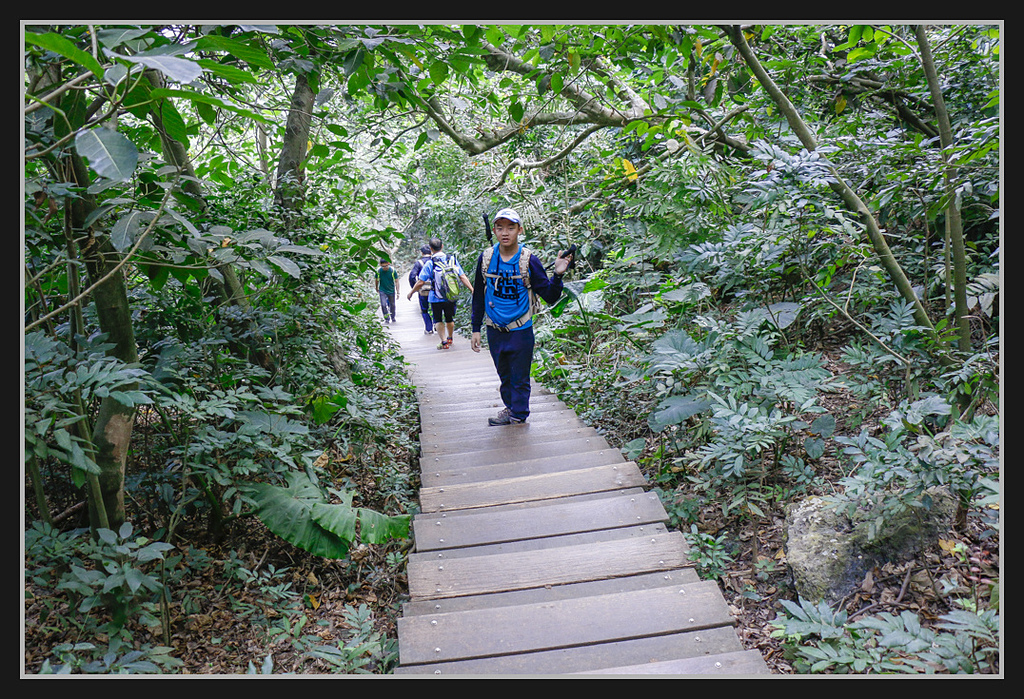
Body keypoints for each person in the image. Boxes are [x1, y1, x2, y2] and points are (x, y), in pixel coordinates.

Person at [470, 208, 572, 425]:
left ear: (519, 230)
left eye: (510, 228)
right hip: (494, 329)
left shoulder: (529, 260)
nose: (505, 233)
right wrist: (475, 329)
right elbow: (479, 294)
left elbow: (549, 296)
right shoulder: (486, 258)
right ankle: (511, 409)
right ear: (495, 231)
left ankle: (519, 415)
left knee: (520, 376)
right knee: (504, 375)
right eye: (500, 228)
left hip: (521, 328)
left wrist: (558, 274)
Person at [407, 238, 473, 349]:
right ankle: (450, 337)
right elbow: (462, 276)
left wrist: (412, 292)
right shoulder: (451, 259)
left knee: (437, 319)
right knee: (449, 318)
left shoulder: (430, 263)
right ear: (442, 246)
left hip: (435, 297)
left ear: (431, 249)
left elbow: (420, 282)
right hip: (450, 295)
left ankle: (443, 341)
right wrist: (472, 289)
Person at [407, 245, 434, 335]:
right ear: (431, 252)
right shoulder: (435, 260)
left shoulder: (419, 263)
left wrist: (415, 288)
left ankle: (429, 328)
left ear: (422, 253)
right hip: (436, 289)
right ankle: (437, 325)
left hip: (423, 289)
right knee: (436, 307)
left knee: (424, 309)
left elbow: (412, 276)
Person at [374, 257, 399, 324]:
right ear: (380, 265)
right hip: (382, 290)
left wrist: (398, 292)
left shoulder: (392, 271)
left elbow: (396, 281)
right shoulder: (379, 271)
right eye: (383, 266)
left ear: (388, 264)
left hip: (391, 290)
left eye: (386, 266)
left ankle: (393, 316)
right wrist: (376, 288)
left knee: (392, 305)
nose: (384, 267)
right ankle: (386, 318)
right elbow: (376, 280)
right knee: (383, 304)